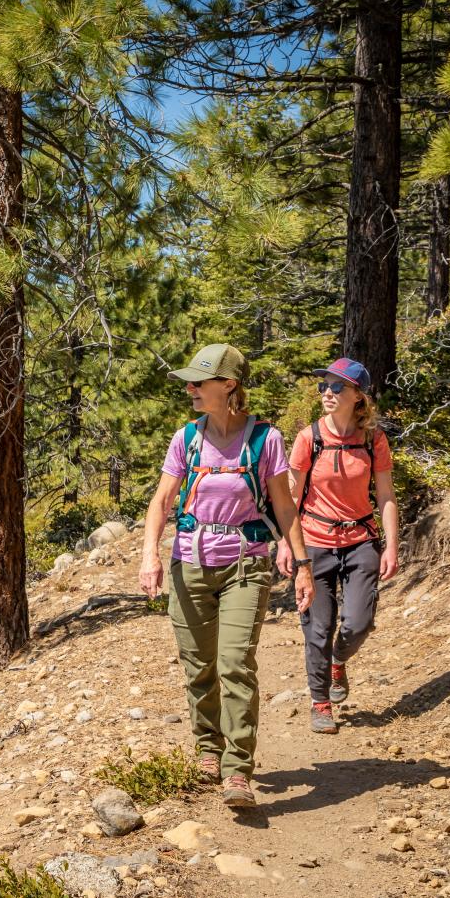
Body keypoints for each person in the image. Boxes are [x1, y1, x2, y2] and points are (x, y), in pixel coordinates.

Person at [140, 343, 315, 809]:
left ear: (229, 384)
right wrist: (150, 556)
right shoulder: (186, 439)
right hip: (188, 564)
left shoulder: (265, 439)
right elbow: (161, 502)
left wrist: (302, 565)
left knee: (234, 663)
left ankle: (237, 770)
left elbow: (282, 504)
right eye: (191, 382)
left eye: (200, 382)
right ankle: (207, 748)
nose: (192, 389)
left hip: (246, 562)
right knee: (199, 667)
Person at [277, 357, 398, 735]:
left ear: (357, 397)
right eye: (323, 386)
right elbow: (290, 497)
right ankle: (321, 702)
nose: (327, 393)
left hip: (361, 539)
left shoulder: (372, 439)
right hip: (314, 542)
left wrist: (391, 545)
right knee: (318, 626)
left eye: (336, 387)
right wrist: (287, 546)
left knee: (359, 623)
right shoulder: (308, 438)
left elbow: (386, 495)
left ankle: (338, 660)